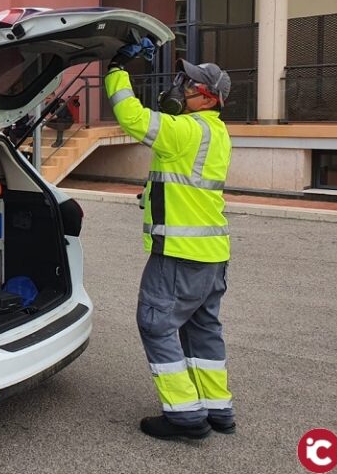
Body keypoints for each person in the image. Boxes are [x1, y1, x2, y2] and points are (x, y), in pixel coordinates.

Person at [104, 39, 235, 441]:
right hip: (212, 254)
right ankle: (218, 410)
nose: (178, 86)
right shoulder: (215, 131)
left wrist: (116, 71)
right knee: (202, 330)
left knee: (156, 325)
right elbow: (188, 183)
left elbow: (132, 117)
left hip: (180, 253)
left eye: (187, 83)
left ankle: (184, 417)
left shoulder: (185, 130)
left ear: (207, 97)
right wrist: (152, 196)